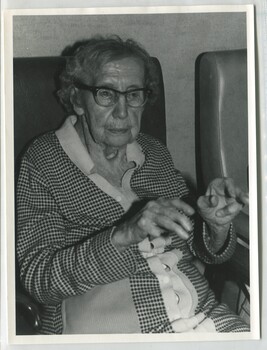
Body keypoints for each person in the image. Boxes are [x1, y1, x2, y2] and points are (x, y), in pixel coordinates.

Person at [16, 35, 250, 335]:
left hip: (203, 319)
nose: (123, 111)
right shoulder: (44, 159)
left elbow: (193, 246)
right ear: (77, 99)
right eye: (106, 94)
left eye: (134, 94)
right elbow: (39, 280)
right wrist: (124, 235)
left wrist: (213, 226)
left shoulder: (154, 153)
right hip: (112, 329)